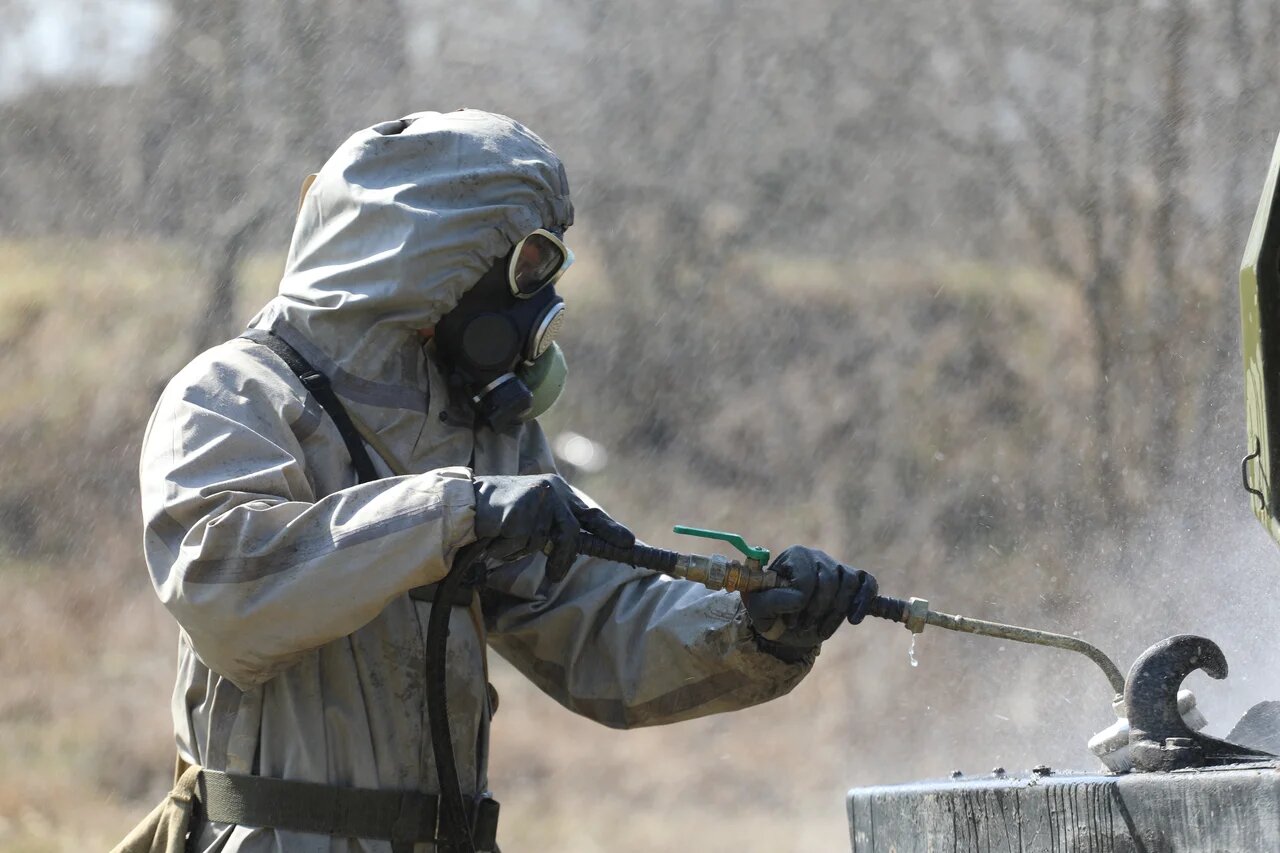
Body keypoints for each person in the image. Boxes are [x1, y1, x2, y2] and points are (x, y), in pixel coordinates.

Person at [137, 109, 877, 852]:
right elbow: (227, 592)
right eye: (524, 267)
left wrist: (756, 625)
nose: (535, 304)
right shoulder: (235, 395)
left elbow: (595, 623)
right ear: (428, 255)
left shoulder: (484, 434)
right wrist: (457, 512)